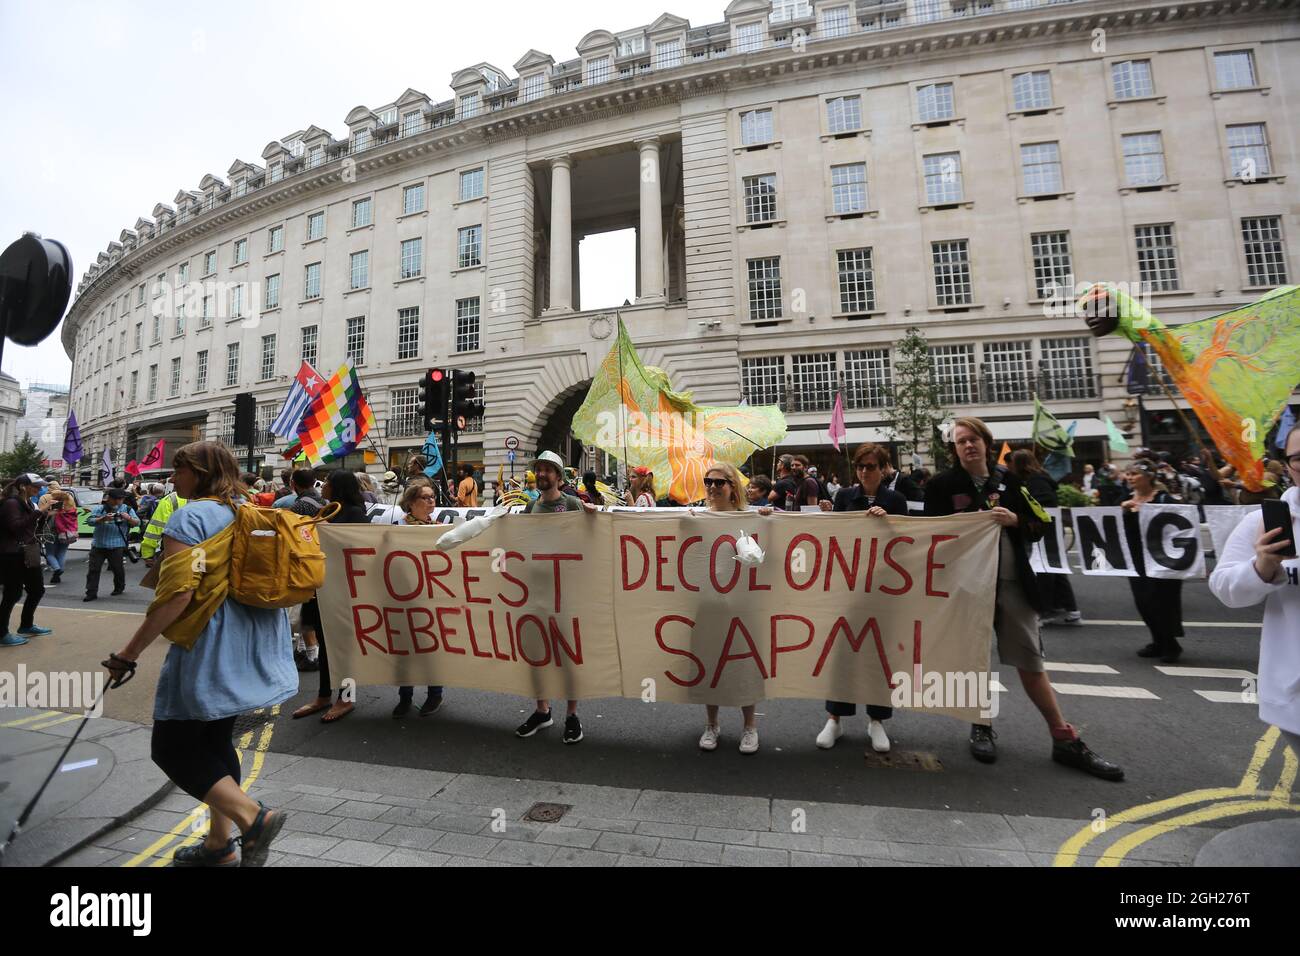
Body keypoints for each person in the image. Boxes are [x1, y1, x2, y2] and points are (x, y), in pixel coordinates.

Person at [102, 441, 295, 866]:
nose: (172, 479)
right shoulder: (250, 510)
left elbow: (177, 596)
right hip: (253, 642)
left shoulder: (189, 517)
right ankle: (217, 845)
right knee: (214, 741)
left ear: (200, 472)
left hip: (208, 644)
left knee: (172, 747)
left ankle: (253, 817)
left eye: (179, 470)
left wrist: (128, 653)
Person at [924, 417, 1123, 780]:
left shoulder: (1011, 481)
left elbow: (1041, 523)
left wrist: (1016, 520)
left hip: (1013, 585)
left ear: (986, 442)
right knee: (974, 664)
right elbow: (926, 534)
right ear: (953, 449)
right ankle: (980, 725)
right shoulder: (941, 486)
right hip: (966, 590)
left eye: (974, 440)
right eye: (961, 441)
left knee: (1031, 663)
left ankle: (1063, 737)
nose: (968, 446)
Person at [1209, 423, 1300, 758]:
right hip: (1296, 690)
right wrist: (1262, 566)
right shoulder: (1267, 522)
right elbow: (1224, 589)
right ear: (1288, 466)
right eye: (1299, 457)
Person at [816, 444, 906, 754]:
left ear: (884, 469)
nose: (865, 471)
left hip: (882, 590)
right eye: (860, 466)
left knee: (878, 656)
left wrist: (888, 522)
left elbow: (908, 545)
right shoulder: (844, 497)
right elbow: (837, 542)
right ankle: (835, 718)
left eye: (871, 466)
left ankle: (877, 720)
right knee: (843, 652)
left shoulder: (895, 501)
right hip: (849, 588)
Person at [514, 451, 598, 744]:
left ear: (559, 478)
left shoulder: (572, 504)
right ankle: (542, 710)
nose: (542, 474)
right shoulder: (530, 508)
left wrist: (593, 517)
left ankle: (572, 715)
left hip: (566, 596)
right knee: (537, 655)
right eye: (539, 469)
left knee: (567, 655)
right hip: (537, 594)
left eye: (549, 470)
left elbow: (594, 536)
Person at [290, 471, 371, 724]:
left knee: (341, 647)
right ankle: (324, 695)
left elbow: (357, 549)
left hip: (343, 589)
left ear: (338, 487)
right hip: (321, 586)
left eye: (327, 483)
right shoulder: (327, 510)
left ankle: (346, 697)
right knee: (325, 643)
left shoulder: (355, 513)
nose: (322, 486)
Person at [698, 461, 762, 754]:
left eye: (719, 482)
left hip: (741, 606)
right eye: (708, 481)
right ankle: (712, 724)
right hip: (708, 604)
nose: (712, 487)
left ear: (732, 487)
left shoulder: (750, 519)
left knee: (743, 664)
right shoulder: (696, 517)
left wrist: (769, 519)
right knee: (710, 662)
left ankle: (750, 727)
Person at [1121, 460, 1185, 663]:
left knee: (1162, 601)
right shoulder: (1125, 499)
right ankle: (1157, 640)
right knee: (1143, 601)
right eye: (1128, 474)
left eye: (1135, 474)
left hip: (1162, 557)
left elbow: (1180, 522)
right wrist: (1122, 511)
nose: (1130, 477)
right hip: (1137, 558)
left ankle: (1170, 644)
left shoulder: (1164, 498)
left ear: (1149, 477)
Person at [1010, 450, 1081, 626]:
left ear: (1019, 463)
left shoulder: (1036, 480)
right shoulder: (1038, 478)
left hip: (1045, 529)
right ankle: (1070, 609)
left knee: (1045, 569)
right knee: (1054, 568)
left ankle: (1046, 611)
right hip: (1049, 528)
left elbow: (1043, 502)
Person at [393, 482, 445, 717]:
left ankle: (435, 694)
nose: (431, 501)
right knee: (406, 650)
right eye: (426, 498)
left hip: (432, 598)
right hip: (405, 598)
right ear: (411, 503)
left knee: (432, 650)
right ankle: (405, 697)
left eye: (433, 496)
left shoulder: (441, 529)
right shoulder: (398, 528)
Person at [0, 474, 56, 646]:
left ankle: (26, 625)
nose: (40, 489)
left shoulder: (29, 503)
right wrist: (39, 511)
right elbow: (16, 527)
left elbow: (32, 528)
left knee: (37, 589)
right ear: (23, 486)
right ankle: (2, 633)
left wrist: (45, 515)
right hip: (12, 554)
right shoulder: (11, 503)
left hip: (29, 550)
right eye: (36, 486)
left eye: (41, 486)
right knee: (12, 593)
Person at [83, 487, 140, 602]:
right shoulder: (100, 508)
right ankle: (91, 592)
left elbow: (137, 522)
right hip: (98, 545)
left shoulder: (127, 509)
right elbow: (89, 521)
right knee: (93, 570)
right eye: (116, 499)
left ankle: (119, 587)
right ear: (109, 499)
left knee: (117, 568)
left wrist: (128, 518)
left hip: (117, 545)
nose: (118, 502)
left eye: (121, 499)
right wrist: (102, 519)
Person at [40, 484, 78, 586]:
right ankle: (58, 572)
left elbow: (45, 520)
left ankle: (56, 569)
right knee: (61, 553)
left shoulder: (53, 511)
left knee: (50, 554)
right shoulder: (71, 509)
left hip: (51, 534)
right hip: (66, 534)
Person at [142, 487, 188, 566]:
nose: (172, 480)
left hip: (176, 551)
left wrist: (148, 553)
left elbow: (156, 528)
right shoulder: (214, 498)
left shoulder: (171, 499)